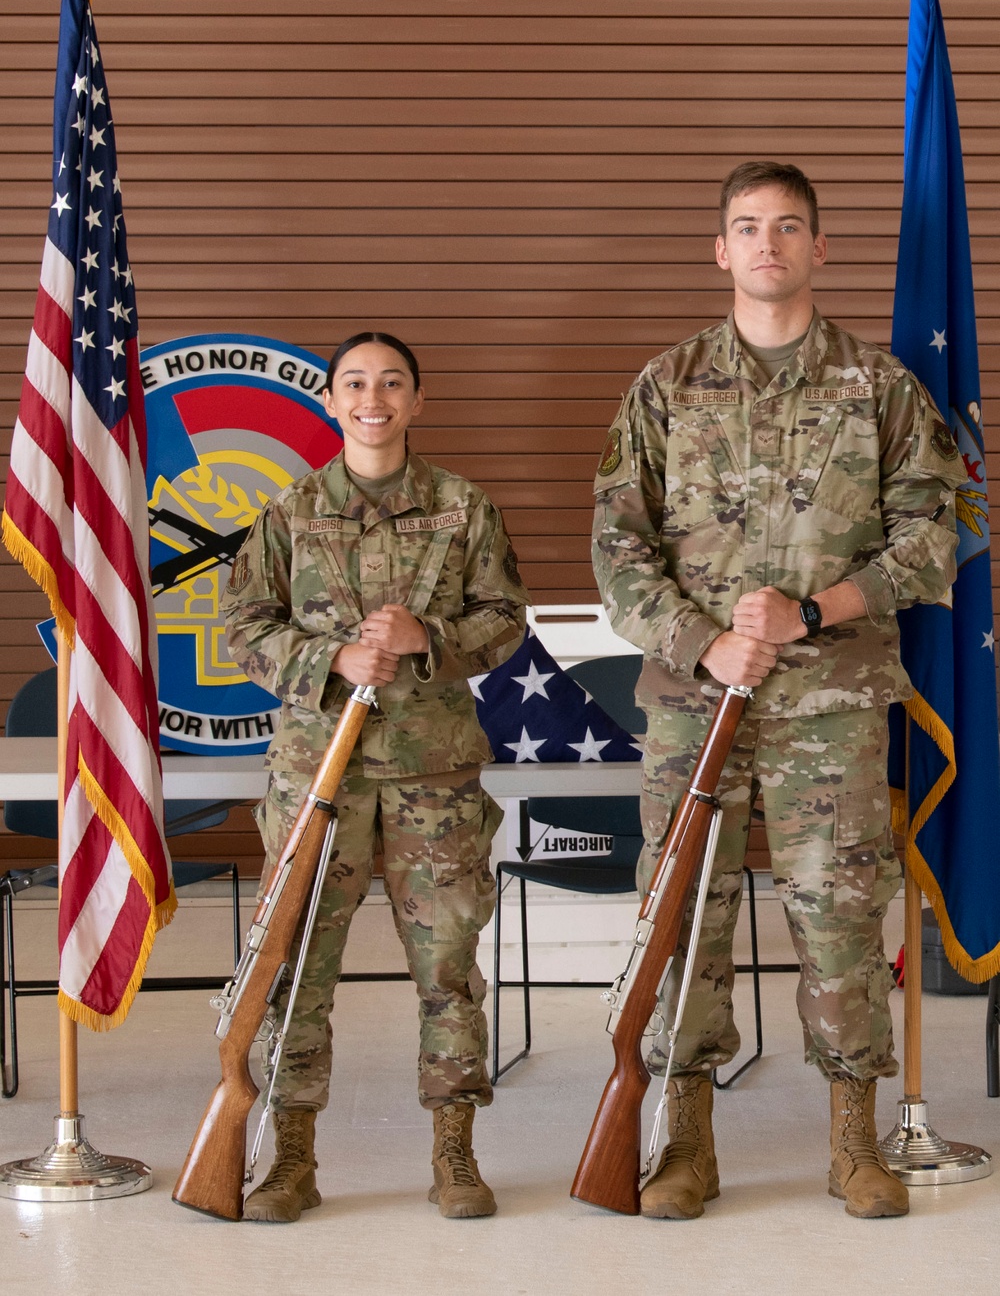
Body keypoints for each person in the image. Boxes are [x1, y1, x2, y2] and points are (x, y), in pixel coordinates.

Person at [592, 162, 966, 1221]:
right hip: (693, 706)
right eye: (747, 227)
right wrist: (702, 642)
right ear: (720, 250)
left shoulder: (881, 388)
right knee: (683, 919)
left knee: (840, 917)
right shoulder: (664, 388)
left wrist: (813, 611)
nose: (767, 244)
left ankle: (854, 1141)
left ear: (818, 248)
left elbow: (934, 535)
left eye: (788, 227)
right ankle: (685, 1145)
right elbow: (617, 552)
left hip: (830, 704)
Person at [222, 331, 529, 1223]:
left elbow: (506, 619)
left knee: (447, 968)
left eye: (392, 383)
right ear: (330, 399)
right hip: (319, 776)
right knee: (296, 969)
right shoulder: (289, 512)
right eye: (355, 382)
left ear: (417, 401)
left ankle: (456, 1155)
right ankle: (291, 1161)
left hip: (433, 778)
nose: (373, 398)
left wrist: (428, 640)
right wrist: (329, 661)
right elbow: (242, 626)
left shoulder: (462, 507)